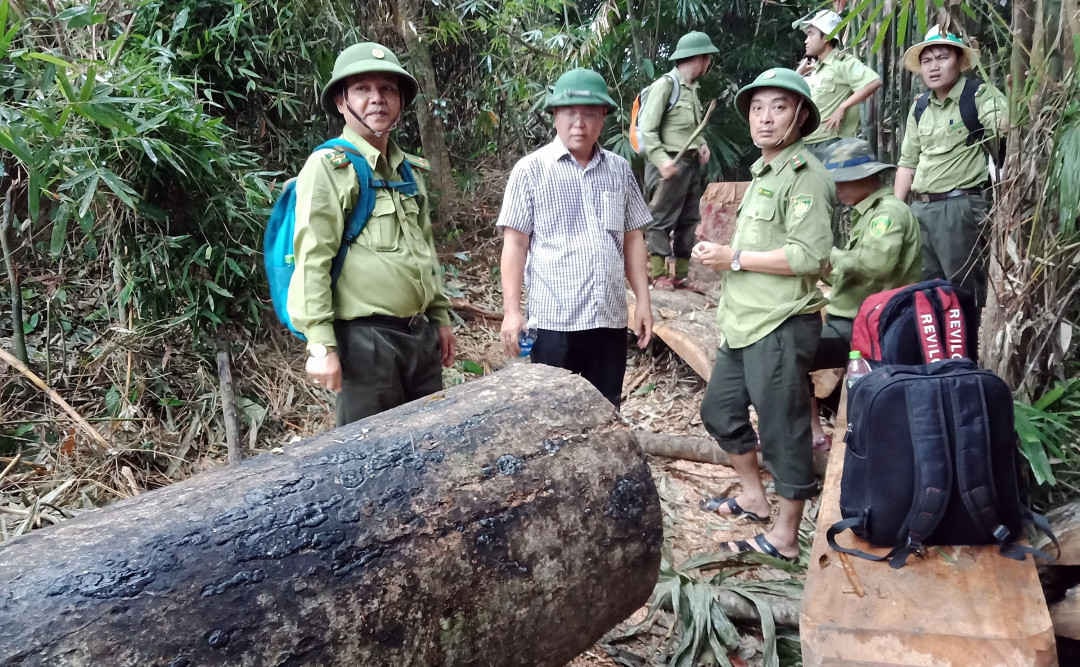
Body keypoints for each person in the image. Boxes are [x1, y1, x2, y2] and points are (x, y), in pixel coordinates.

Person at [692, 68, 834, 562]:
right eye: (757, 108)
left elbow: (808, 257)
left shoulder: (806, 177)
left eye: (778, 107)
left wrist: (732, 257)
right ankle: (753, 497)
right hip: (744, 321)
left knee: (782, 426)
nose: (765, 118)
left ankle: (785, 537)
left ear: (800, 115)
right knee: (719, 411)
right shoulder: (763, 171)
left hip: (780, 321)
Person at [288, 42, 456, 426]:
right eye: (363, 89)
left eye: (387, 90)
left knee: (430, 444)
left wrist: (440, 318)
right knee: (369, 457)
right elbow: (313, 258)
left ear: (399, 102)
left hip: (419, 339)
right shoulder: (329, 167)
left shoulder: (407, 171)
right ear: (342, 102)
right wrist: (321, 344)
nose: (377, 99)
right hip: (365, 344)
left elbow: (424, 252)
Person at [496, 68, 653, 407]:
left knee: (606, 407)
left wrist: (643, 300)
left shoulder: (619, 170)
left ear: (604, 118)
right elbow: (516, 243)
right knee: (551, 412)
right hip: (555, 320)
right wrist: (512, 311)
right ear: (555, 116)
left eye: (590, 114)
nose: (579, 123)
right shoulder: (531, 170)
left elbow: (633, 238)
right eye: (569, 113)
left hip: (608, 316)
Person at [809, 138, 922, 448]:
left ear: (868, 178)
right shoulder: (867, 214)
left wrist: (829, 256)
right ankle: (815, 432)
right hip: (855, 317)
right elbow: (856, 274)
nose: (839, 189)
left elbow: (876, 265)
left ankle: (813, 433)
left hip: (869, 324)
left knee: (792, 357)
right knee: (792, 351)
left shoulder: (887, 214)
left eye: (844, 181)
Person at [894, 26, 1007, 317]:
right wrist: (897, 209)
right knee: (925, 290)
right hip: (921, 209)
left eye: (942, 58)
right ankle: (938, 357)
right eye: (927, 60)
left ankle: (968, 355)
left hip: (961, 207)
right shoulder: (920, 107)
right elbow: (908, 161)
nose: (933, 66)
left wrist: (1002, 114)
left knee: (964, 291)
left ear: (959, 61)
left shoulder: (978, 94)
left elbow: (1005, 126)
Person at [636, 31, 719, 290]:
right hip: (669, 162)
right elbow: (646, 131)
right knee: (661, 218)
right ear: (699, 59)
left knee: (688, 218)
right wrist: (662, 161)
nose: (708, 65)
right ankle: (658, 273)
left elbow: (691, 128)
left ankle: (681, 274)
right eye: (707, 59)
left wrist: (702, 145)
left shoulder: (692, 90)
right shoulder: (666, 86)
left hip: (690, 164)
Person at [794, 10, 882, 163]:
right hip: (807, 143)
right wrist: (799, 73)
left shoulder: (842, 63)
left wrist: (842, 107)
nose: (806, 41)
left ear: (827, 37)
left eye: (810, 34)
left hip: (831, 143)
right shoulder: (815, 70)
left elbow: (874, 82)